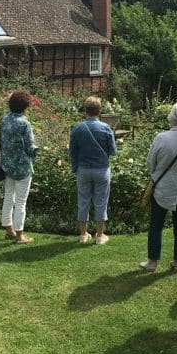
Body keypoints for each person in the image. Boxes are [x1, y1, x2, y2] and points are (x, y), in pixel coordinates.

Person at [141, 101, 177, 270]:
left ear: (172, 116)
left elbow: (150, 164)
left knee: (156, 225)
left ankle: (152, 262)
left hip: (162, 188)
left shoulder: (161, 138)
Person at [70, 96, 117, 245]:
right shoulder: (105, 128)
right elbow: (113, 151)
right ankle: (99, 236)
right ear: (99, 111)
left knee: (83, 201)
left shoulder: (77, 128)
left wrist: (74, 167)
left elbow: (72, 152)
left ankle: (83, 234)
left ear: (85, 110)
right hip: (101, 169)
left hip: (83, 169)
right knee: (101, 201)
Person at [0, 91, 38, 244]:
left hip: (7, 165)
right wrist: (36, 153)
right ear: (25, 106)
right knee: (21, 201)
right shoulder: (24, 123)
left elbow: (2, 142)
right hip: (22, 167)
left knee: (9, 197)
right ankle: (20, 235)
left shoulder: (4, 120)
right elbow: (30, 145)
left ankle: (9, 229)